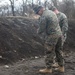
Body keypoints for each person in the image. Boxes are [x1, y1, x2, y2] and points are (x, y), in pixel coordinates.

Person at [33, 6, 63, 73]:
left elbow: (41, 28)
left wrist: (37, 31)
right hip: (59, 34)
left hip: (52, 36)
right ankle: (61, 67)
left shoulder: (44, 16)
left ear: (40, 10)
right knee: (58, 50)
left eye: (37, 12)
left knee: (49, 51)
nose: (38, 14)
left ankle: (48, 69)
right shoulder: (51, 12)